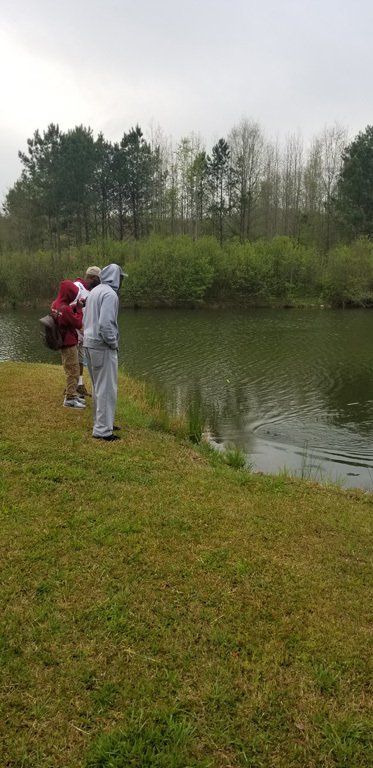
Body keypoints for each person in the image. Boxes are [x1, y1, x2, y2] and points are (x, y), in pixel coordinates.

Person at [83, 263, 125, 440]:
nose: (121, 281)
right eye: (121, 277)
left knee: (98, 387)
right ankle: (102, 431)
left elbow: (86, 319)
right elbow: (105, 324)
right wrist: (113, 343)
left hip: (89, 344)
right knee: (106, 388)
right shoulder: (110, 294)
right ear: (115, 277)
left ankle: (102, 423)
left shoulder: (95, 291)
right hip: (102, 346)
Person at [51, 280, 85, 409]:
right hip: (69, 343)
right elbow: (78, 323)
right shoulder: (65, 309)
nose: (73, 297)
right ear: (68, 294)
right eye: (73, 295)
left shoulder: (56, 304)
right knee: (73, 371)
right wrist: (80, 309)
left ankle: (72, 395)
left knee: (70, 369)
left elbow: (66, 313)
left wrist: (75, 306)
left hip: (62, 342)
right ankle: (70, 399)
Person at [72, 266, 102, 398]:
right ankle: (71, 389)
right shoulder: (77, 286)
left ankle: (79, 385)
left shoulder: (92, 291)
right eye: (99, 280)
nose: (100, 283)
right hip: (73, 331)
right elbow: (66, 305)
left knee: (80, 359)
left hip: (84, 332)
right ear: (93, 278)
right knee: (72, 360)